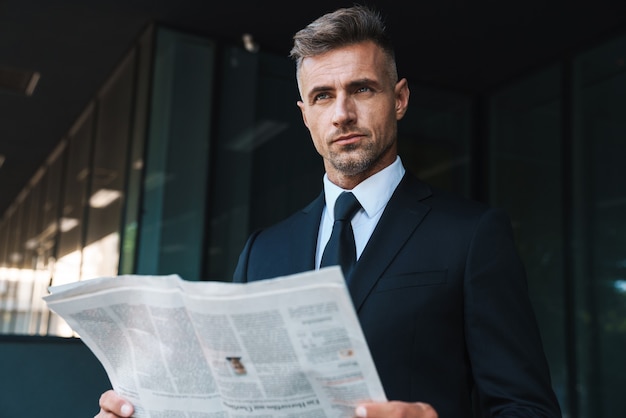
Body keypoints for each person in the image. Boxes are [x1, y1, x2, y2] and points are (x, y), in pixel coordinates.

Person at [97, 4, 562, 418]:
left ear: (398, 99)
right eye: (322, 96)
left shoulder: (472, 234)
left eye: (361, 89)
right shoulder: (263, 250)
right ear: (305, 115)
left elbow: (528, 408)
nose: (342, 113)